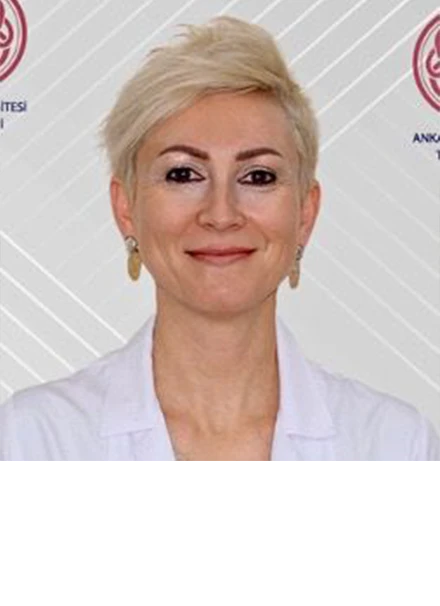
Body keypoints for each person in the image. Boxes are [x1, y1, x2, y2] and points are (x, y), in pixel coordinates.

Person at [0, 16, 439, 463]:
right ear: (126, 207)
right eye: (183, 174)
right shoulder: (32, 441)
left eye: (258, 176)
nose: (221, 214)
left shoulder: (397, 447)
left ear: (305, 213)